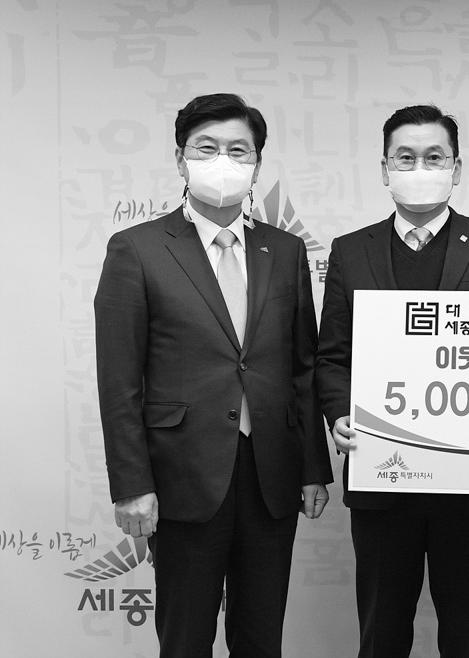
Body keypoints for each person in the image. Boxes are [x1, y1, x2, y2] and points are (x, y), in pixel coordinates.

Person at [95, 93, 333, 658]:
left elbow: (302, 367)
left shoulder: (285, 250)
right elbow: (119, 382)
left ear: (257, 164)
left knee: (261, 639)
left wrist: (312, 469)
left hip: (270, 475)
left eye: (238, 150)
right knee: (185, 640)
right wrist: (131, 485)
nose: (223, 161)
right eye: (206, 148)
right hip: (183, 477)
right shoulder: (137, 249)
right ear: (181, 159)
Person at [316, 104, 469, 658]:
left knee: (466, 634)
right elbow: (332, 357)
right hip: (382, 474)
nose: (419, 168)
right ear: (384, 169)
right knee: (381, 633)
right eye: (405, 157)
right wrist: (339, 413)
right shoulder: (351, 250)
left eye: (434, 157)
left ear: (456, 168)